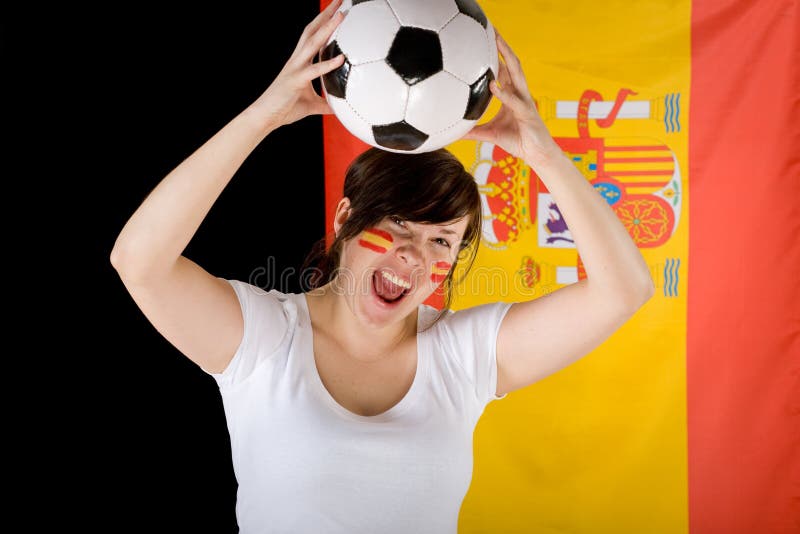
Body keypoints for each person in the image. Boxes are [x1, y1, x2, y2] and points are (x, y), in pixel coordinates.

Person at [110, 0, 654, 531]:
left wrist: (542, 154)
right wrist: (263, 117)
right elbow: (139, 262)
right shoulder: (264, 339)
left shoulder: (462, 357)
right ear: (345, 215)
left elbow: (623, 290)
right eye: (396, 226)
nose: (414, 255)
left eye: (443, 240)